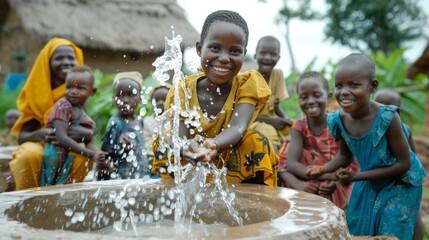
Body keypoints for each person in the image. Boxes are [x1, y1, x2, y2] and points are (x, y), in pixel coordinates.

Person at [306, 53, 427, 239]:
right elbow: (345, 157)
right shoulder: (338, 119)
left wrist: (357, 176)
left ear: (372, 86)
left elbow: (404, 164)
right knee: (357, 225)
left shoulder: (388, 118)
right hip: (368, 179)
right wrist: (322, 169)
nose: (344, 91)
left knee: (391, 228)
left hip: (400, 182)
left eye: (353, 85)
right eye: (339, 85)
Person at [152, 10, 279, 186]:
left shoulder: (247, 84)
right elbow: (179, 136)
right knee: (165, 142)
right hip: (191, 158)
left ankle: (256, 203)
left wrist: (214, 145)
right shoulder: (183, 89)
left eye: (235, 51)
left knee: (256, 141)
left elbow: (238, 127)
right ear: (199, 48)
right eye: (215, 48)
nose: (224, 58)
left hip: (228, 157)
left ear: (244, 53)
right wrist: (187, 149)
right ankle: (169, 198)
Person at [9, 38, 94, 190]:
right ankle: (26, 201)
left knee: (82, 159)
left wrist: (85, 132)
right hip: (41, 145)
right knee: (28, 155)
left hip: (67, 147)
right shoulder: (36, 92)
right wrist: (40, 134)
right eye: (59, 58)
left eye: (70, 57)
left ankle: (66, 202)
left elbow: (85, 127)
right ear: (47, 62)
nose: (66, 62)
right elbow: (22, 137)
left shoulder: (79, 91)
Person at [279, 71, 358, 209]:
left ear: (328, 97)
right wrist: (300, 185)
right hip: (312, 180)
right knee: (289, 148)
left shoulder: (338, 122)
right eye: (304, 97)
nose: (310, 101)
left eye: (317, 95)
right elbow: (291, 163)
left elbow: (347, 160)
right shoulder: (300, 125)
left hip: (337, 180)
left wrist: (335, 180)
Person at [40, 66, 106, 186]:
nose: (73, 91)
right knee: (48, 183)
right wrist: (91, 154)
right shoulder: (63, 105)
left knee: (62, 184)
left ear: (93, 91)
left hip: (65, 155)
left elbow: (89, 143)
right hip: (53, 153)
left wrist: (98, 155)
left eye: (80, 88)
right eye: (69, 87)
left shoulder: (86, 119)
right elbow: (61, 138)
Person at [374, 88, 425, 240]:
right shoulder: (372, 131)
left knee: (410, 215)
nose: (385, 112)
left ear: (399, 112)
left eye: (390, 108)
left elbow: (412, 159)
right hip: (381, 179)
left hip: (402, 181)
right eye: (380, 107)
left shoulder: (405, 130)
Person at [97, 71, 150, 180]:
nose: (125, 100)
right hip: (119, 178)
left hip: (139, 174)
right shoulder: (115, 123)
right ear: (113, 99)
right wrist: (119, 145)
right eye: (120, 95)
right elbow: (105, 153)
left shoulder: (139, 121)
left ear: (140, 98)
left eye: (131, 95)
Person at [250, 36, 292, 152]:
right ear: (255, 56)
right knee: (269, 137)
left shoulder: (277, 75)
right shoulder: (250, 78)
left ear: (278, 57)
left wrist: (286, 118)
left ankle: (287, 164)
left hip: (273, 121)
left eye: (273, 54)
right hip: (254, 122)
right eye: (263, 53)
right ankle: (272, 167)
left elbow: (276, 105)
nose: (268, 57)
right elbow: (245, 114)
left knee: (298, 131)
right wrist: (271, 121)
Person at [142, 84, 171, 159]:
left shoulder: (174, 121)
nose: (160, 102)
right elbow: (146, 143)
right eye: (156, 100)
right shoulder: (147, 122)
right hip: (152, 158)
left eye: (164, 100)